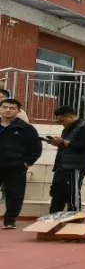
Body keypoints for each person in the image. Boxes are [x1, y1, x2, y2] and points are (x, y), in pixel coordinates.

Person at [1, 98, 42, 229]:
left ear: (18, 111)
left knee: (15, 194)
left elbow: (36, 148)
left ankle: (10, 220)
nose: (8, 110)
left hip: (16, 167)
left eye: (12, 108)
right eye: (5, 107)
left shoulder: (26, 128)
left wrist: (27, 162)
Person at [46, 105, 85, 213]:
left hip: (75, 166)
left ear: (70, 117)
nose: (61, 123)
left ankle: (74, 218)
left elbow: (84, 146)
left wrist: (63, 142)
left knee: (72, 194)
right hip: (62, 166)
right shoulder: (67, 129)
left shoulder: (84, 127)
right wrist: (59, 143)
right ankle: (54, 217)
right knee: (57, 193)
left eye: (62, 121)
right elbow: (68, 145)